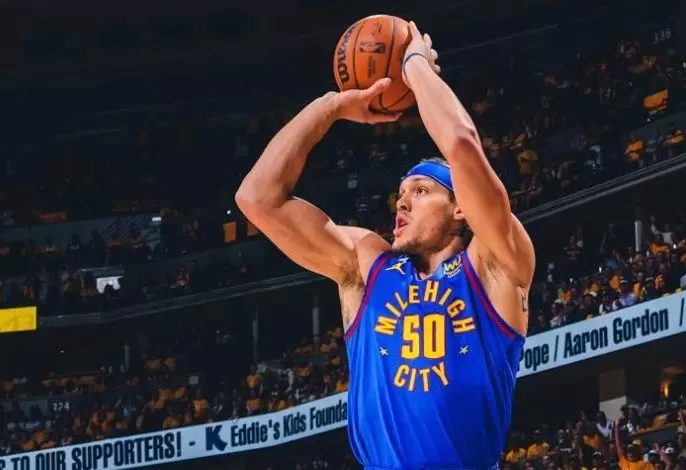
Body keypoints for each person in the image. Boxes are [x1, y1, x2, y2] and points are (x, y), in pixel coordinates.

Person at [236, 21, 535, 470]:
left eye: (421, 190)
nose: (403, 202)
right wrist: (331, 107)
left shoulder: (494, 264)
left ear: (461, 208)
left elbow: (460, 144)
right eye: (401, 193)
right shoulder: (368, 264)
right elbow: (257, 198)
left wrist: (415, 66)